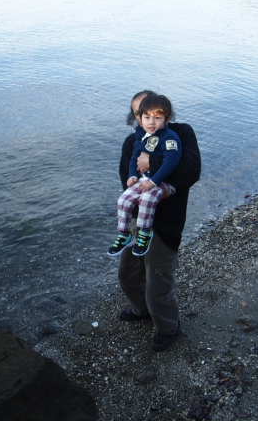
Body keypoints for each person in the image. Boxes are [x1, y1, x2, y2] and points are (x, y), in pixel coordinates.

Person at [116, 90, 201, 352]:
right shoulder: (133, 142)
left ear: (162, 112)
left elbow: (190, 171)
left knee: (158, 284)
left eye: (152, 112)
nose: (147, 118)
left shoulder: (182, 133)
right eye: (140, 113)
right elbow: (125, 178)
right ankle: (141, 311)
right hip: (136, 222)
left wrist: (150, 161)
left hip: (166, 225)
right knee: (128, 275)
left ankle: (168, 328)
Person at [107, 95, 182, 257]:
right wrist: (132, 175)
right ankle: (124, 234)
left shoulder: (170, 138)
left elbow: (171, 162)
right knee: (123, 200)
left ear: (166, 118)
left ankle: (145, 233)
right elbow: (135, 157)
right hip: (144, 179)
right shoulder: (141, 135)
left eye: (157, 117)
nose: (151, 122)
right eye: (146, 117)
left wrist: (154, 181)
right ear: (139, 117)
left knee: (147, 199)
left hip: (163, 182)